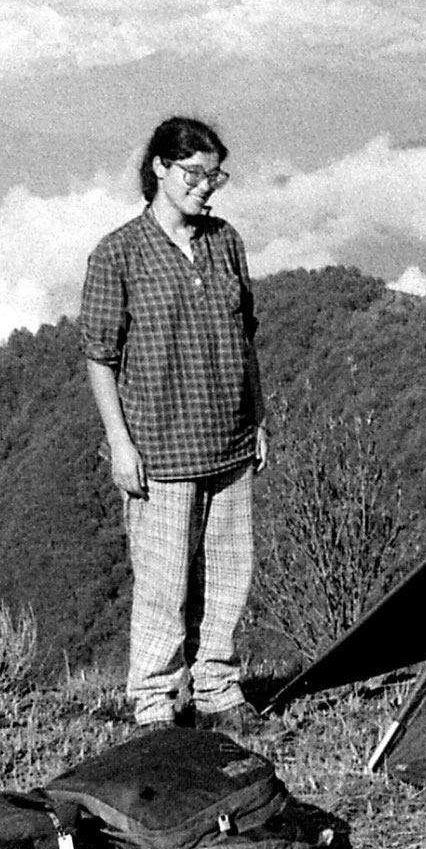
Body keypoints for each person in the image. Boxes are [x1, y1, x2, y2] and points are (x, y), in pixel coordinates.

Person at [79, 116, 269, 732]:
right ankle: (156, 705)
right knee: (162, 582)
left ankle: (218, 689)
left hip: (232, 439)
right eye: (194, 173)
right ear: (160, 168)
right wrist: (119, 444)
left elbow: (246, 337)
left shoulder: (225, 241)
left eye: (215, 176)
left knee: (228, 573)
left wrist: (258, 418)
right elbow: (101, 357)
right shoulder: (118, 254)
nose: (206, 187)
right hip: (159, 448)